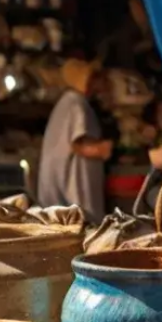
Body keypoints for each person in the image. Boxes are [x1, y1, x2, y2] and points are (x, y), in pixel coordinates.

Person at [37, 58, 112, 221]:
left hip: (57, 193)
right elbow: (78, 145)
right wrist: (104, 149)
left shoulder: (66, 102)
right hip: (74, 193)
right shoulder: (76, 105)